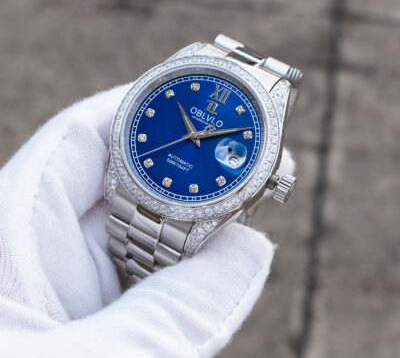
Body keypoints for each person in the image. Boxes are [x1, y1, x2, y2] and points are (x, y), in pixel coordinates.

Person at [0, 84, 294, 357]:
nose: (194, 137)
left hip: (182, 210)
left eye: (198, 137)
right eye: (191, 131)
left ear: (269, 180)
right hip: (141, 189)